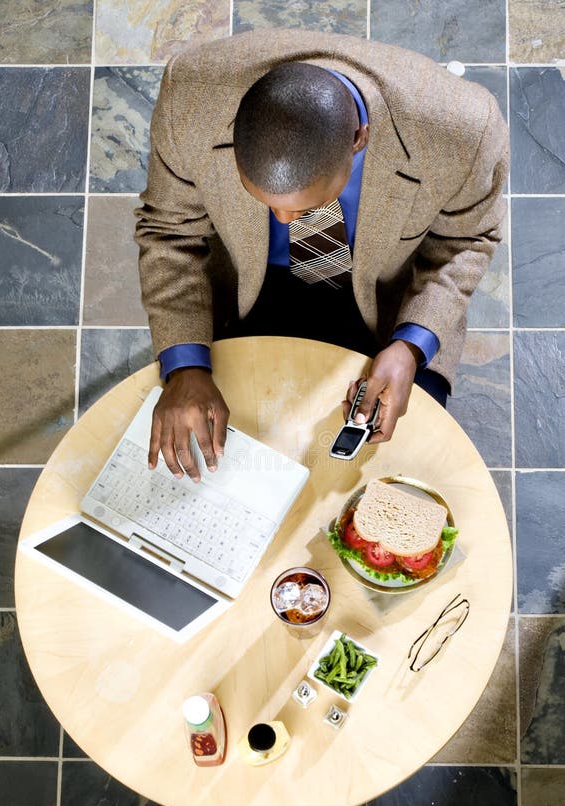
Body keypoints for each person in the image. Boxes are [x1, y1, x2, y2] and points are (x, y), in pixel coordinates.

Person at [135, 29, 509, 481]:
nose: (285, 221)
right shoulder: (189, 99)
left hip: (390, 301)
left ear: (359, 139)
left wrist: (412, 345)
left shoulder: (462, 131)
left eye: (305, 208)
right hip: (247, 287)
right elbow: (168, 231)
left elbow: (468, 239)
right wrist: (186, 365)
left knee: (396, 471)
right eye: (263, 200)